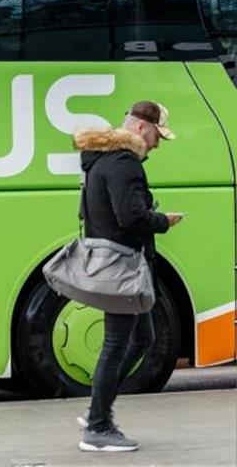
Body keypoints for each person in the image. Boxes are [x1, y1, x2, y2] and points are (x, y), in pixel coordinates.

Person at [73, 100, 184, 452]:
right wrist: (163, 221)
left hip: (116, 264)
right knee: (118, 344)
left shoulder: (100, 160)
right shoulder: (124, 163)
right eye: (156, 136)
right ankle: (98, 426)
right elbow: (131, 217)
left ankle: (97, 409)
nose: (157, 144)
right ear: (140, 128)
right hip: (122, 267)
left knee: (143, 337)